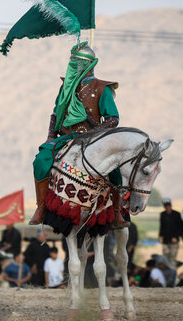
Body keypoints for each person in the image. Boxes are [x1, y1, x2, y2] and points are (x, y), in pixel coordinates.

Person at [30, 42, 127, 229]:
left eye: (76, 61)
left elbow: (113, 118)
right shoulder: (65, 87)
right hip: (66, 137)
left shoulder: (102, 88)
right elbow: (56, 114)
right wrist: (50, 136)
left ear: (86, 64)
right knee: (41, 160)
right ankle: (41, 208)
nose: (72, 64)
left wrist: (92, 133)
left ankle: (116, 212)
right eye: (71, 60)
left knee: (114, 169)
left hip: (93, 139)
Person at [158, 198, 183, 268]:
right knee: (165, 258)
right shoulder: (162, 214)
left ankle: (173, 274)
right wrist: (160, 236)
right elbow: (162, 226)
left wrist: (176, 237)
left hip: (174, 240)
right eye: (166, 205)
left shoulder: (177, 214)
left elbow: (180, 227)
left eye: (168, 205)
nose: (167, 207)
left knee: (172, 258)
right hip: (165, 240)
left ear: (171, 205)